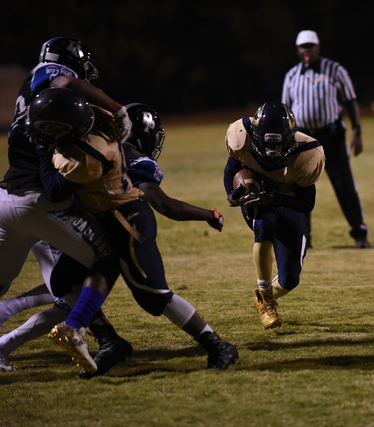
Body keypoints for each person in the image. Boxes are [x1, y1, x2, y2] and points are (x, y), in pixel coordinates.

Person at [0, 103, 225, 375]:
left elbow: (161, 203)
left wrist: (207, 214)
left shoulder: (98, 151)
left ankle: (216, 345)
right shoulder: (90, 143)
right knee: (63, 281)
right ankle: (107, 342)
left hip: (126, 221)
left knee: (153, 296)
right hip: (104, 223)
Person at [0, 36, 133, 373]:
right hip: (41, 203)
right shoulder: (50, 73)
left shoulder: (30, 90)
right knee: (102, 262)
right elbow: (66, 81)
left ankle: (7, 345)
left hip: (8, 198)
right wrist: (118, 109)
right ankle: (104, 336)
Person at [224, 102, 325, 329]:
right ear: (256, 136)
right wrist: (232, 194)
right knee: (265, 224)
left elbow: (307, 203)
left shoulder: (307, 154)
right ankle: (266, 302)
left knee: (290, 279)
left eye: (278, 144)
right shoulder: (242, 138)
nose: (273, 150)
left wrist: (278, 199)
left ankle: (262, 297)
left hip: (287, 201)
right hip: (258, 196)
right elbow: (231, 169)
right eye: (267, 143)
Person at [281, 30, 369, 248]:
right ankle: (304, 237)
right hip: (303, 139)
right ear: (298, 50)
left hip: (332, 136)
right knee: (300, 187)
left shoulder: (335, 70)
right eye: (303, 47)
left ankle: (359, 232)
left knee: (344, 185)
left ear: (318, 47)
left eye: (311, 46)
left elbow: (350, 101)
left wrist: (357, 131)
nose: (307, 50)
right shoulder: (292, 75)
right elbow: (285, 110)